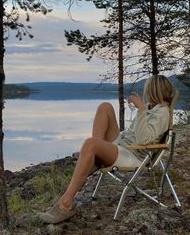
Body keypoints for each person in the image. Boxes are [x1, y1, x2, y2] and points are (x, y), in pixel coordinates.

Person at [39, 75, 175, 224]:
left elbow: (143, 140)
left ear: (153, 91)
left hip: (133, 154)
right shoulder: (151, 107)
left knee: (90, 144)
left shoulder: (162, 113)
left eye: (147, 89)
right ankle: (94, 156)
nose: (145, 92)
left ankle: (66, 204)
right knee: (105, 107)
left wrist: (141, 109)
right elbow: (132, 132)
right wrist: (141, 111)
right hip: (123, 145)